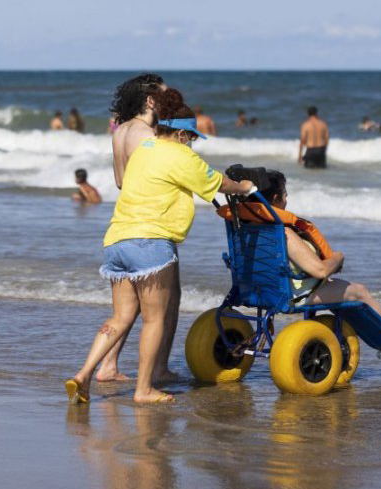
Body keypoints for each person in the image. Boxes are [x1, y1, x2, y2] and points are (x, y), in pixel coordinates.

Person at [65, 89, 255, 405]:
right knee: (154, 319)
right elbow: (218, 182)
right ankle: (144, 389)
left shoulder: (145, 149)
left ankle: (83, 375)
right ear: (180, 134)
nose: (191, 142)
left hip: (117, 240)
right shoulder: (181, 156)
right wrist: (245, 186)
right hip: (151, 244)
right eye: (190, 137)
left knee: (120, 317)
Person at [253, 171, 381, 345]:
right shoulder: (283, 234)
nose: (286, 201)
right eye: (285, 196)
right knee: (359, 291)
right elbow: (321, 271)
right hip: (289, 295)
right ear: (275, 198)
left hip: (257, 290)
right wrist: (338, 258)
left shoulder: (247, 229)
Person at [100, 73, 167, 382]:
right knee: (157, 308)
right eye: (164, 95)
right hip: (148, 224)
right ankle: (154, 374)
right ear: (151, 100)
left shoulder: (120, 131)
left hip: (121, 222)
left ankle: (107, 365)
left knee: (126, 309)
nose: (169, 100)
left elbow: (119, 181)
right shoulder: (148, 135)